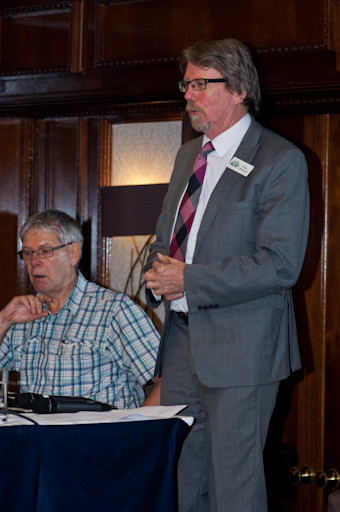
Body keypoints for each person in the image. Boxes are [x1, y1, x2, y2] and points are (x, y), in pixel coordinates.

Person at [143, 38, 309, 512]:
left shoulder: (279, 160)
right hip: (181, 345)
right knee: (182, 481)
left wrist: (188, 281)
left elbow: (280, 263)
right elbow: (164, 240)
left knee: (234, 489)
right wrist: (158, 276)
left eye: (200, 84)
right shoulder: (185, 157)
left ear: (238, 89)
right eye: (186, 84)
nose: (188, 95)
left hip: (243, 347)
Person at [0, 209, 160, 409]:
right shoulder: (24, 315)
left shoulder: (114, 310)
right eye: (28, 252)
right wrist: (4, 321)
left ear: (73, 253)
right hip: (36, 438)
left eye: (46, 251)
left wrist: (138, 433)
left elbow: (168, 382)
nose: (34, 261)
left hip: (96, 438)